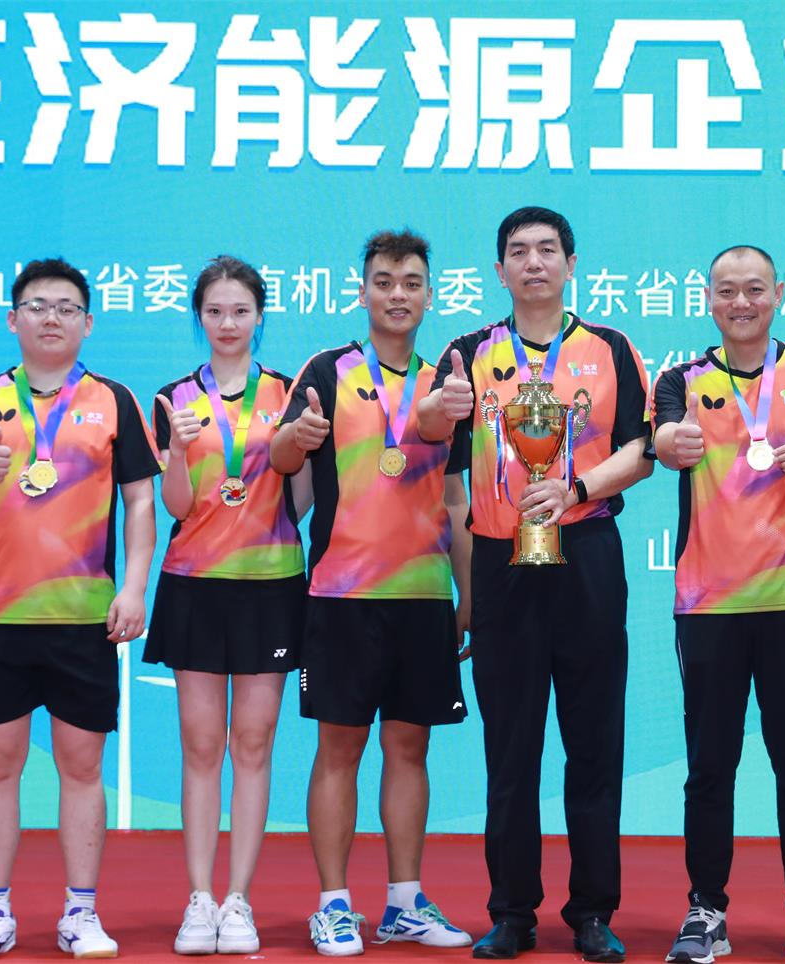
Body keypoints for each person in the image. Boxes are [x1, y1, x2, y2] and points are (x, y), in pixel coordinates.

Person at [416, 206, 654, 962]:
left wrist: (576, 489)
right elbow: (430, 435)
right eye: (518, 252)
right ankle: (512, 911)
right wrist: (439, 408)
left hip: (587, 553)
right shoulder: (467, 354)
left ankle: (592, 912)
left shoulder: (611, 349)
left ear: (570, 263)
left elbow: (642, 449)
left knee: (595, 743)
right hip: (501, 562)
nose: (534, 263)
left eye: (547, 250)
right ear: (499, 271)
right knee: (510, 747)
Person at [0, 258, 159, 961]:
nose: (52, 317)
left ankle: (82, 913)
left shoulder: (113, 400)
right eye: (37, 305)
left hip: (84, 619)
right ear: (13, 319)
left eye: (67, 307)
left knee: (82, 767)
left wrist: (133, 587)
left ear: (88, 323)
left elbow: (141, 500)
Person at [269, 229, 474, 958]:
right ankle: (332, 904)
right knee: (340, 747)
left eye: (411, 283)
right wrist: (299, 433)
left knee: (410, 747)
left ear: (430, 295)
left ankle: (404, 902)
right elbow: (280, 459)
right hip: (340, 595)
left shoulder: (448, 382)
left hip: (423, 596)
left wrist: (467, 597)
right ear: (362, 292)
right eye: (384, 282)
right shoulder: (327, 370)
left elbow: (456, 498)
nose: (397, 294)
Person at [653, 245, 785, 964]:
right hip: (708, 604)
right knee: (709, 766)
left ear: (779, 294)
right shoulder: (679, 380)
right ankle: (706, 909)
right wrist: (672, 443)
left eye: (755, 290)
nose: (741, 302)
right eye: (728, 291)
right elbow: (663, 443)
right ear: (708, 298)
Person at [146, 256, 310, 954]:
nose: (228, 323)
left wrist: (292, 457)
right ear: (199, 317)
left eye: (240, 311)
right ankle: (199, 899)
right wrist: (179, 452)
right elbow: (177, 507)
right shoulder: (173, 400)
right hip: (194, 584)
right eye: (214, 311)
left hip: (271, 584)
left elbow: (301, 500)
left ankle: (239, 899)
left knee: (253, 742)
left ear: (260, 316)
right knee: (201, 744)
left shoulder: (291, 393)